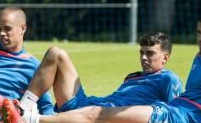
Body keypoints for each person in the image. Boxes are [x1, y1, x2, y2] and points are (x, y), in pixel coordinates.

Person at [1, 11, 201, 123]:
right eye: (198, 32)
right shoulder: (200, 58)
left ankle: (26, 116)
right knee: (98, 122)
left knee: (98, 117)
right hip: (171, 114)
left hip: (176, 120)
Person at [9, 32, 183, 118]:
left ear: (165, 58)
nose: (144, 58)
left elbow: (177, 115)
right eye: (141, 52)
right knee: (55, 53)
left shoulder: (168, 79)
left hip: (99, 116)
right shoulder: (132, 77)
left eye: (150, 53)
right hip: (90, 104)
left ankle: (29, 116)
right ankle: (24, 108)